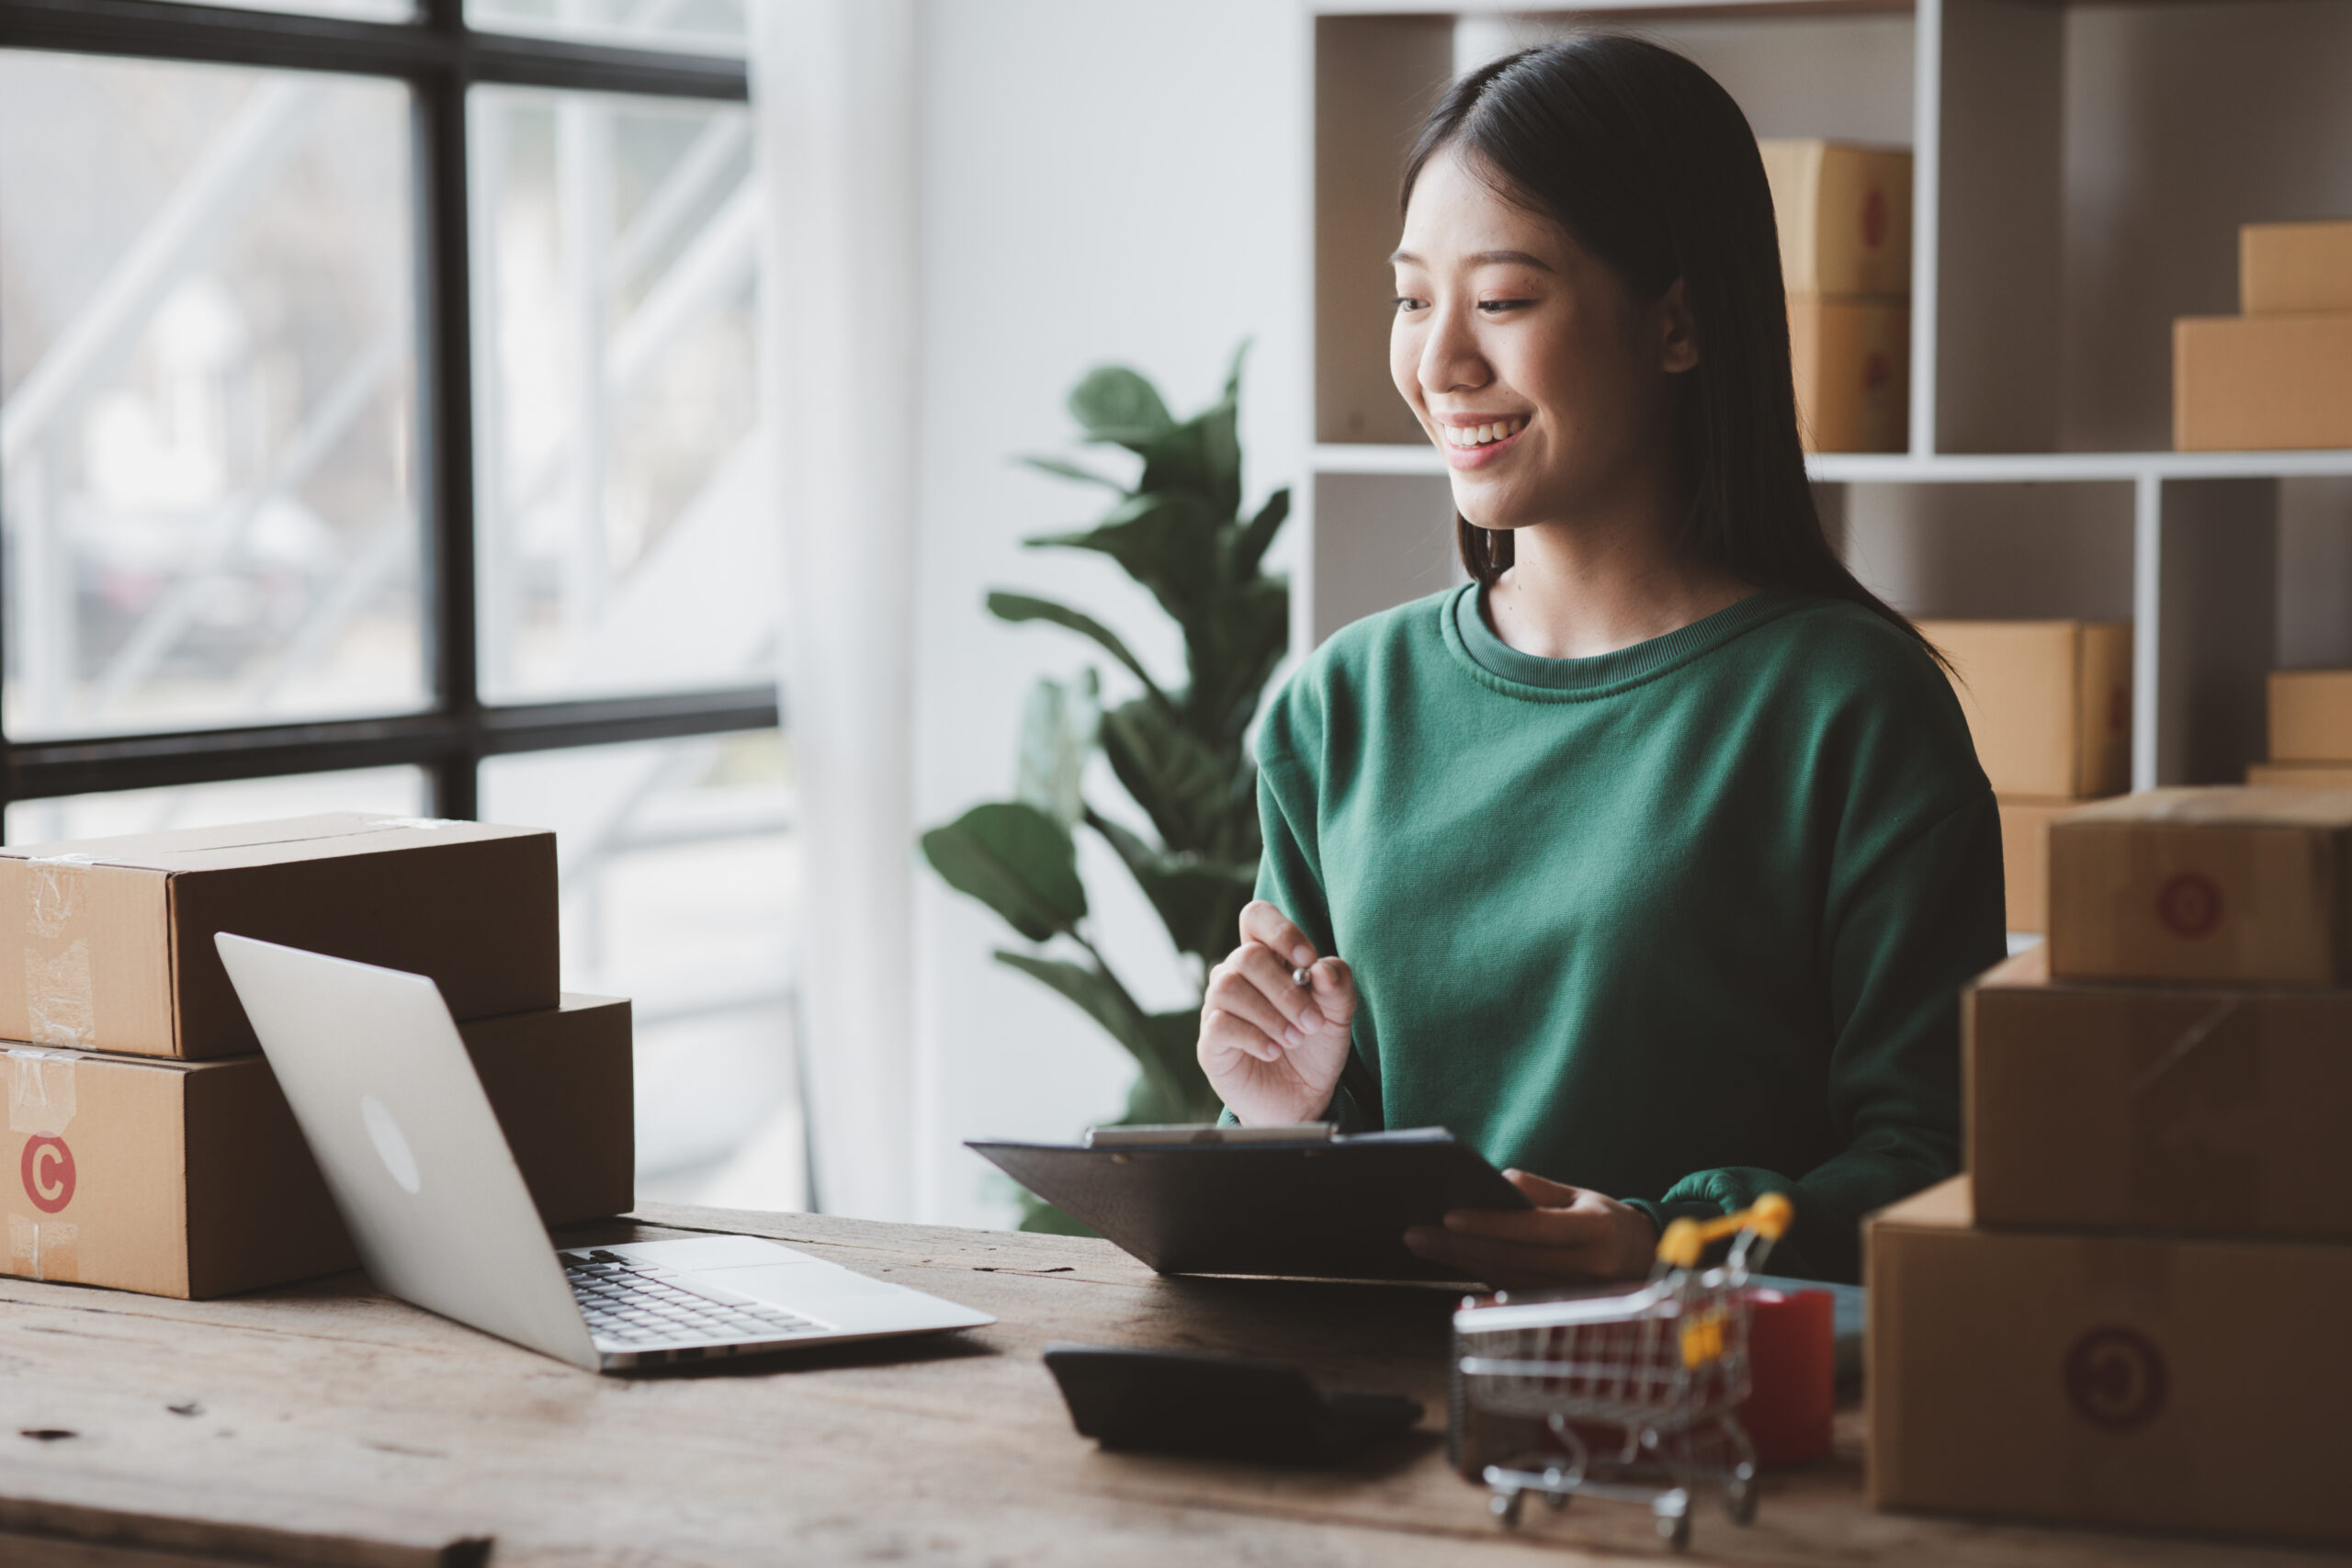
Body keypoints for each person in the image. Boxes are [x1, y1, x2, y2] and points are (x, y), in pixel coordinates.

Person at [1195, 37, 2003, 1285]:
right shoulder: (1340, 707)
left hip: (1705, 1425)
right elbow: (1336, 1198)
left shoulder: (1849, 707)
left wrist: (1669, 1246)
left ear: (1677, 323)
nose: (1441, 362)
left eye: (1504, 301)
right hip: (1387, 1427)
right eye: (1415, 299)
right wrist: (1278, 1120)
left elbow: (1942, 1161)